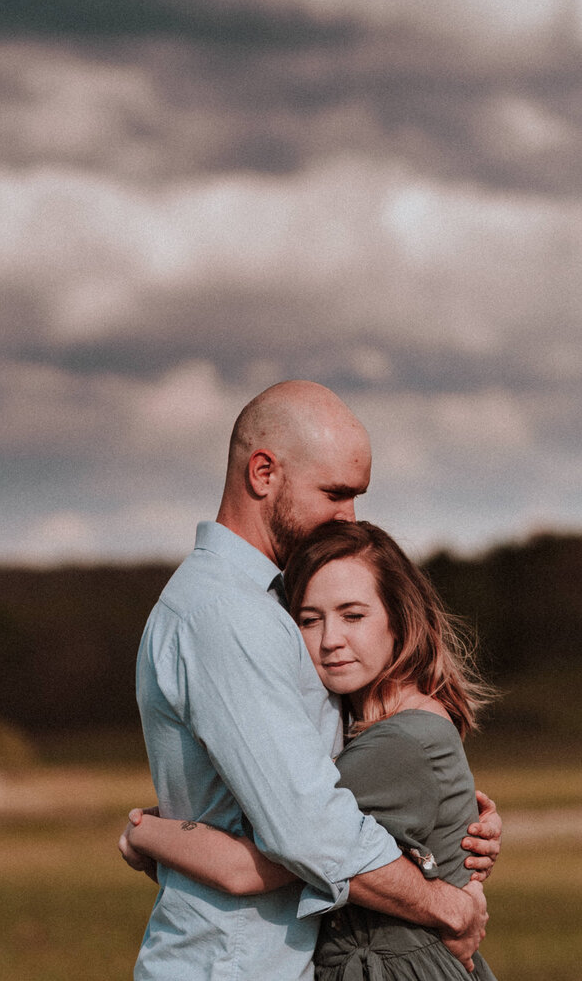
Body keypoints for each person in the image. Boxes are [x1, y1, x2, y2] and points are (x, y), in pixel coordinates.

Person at [124, 379, 502, 980]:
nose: (349, 517)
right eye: (335, 493)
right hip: (235, 964)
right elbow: (307, 829)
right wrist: (446, 902)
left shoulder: (264, 604)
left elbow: (318, 793)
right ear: (264, 473)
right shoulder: (227, 615)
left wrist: (445, 825)